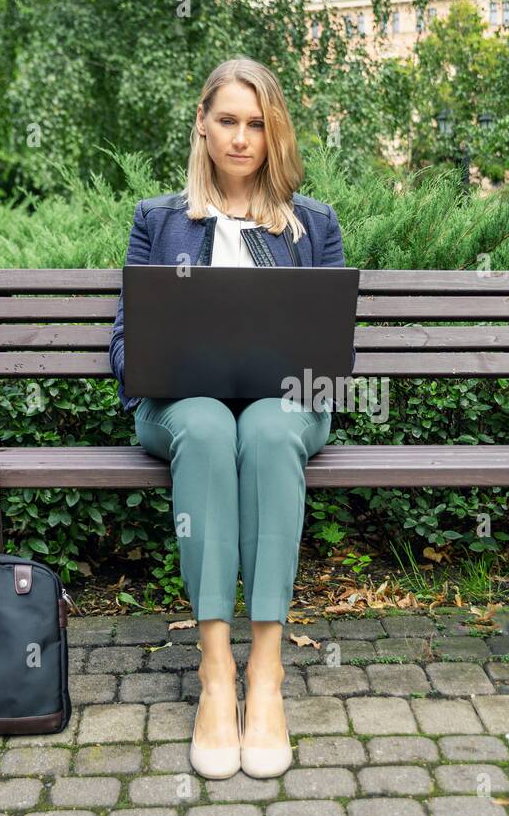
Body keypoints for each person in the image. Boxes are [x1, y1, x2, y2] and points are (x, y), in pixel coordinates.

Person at [110, 56, 352, 779]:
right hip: (182, 409)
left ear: (273, 131)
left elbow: (329, 343)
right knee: (213, 425)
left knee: (270, 427)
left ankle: (268, 672)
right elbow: (124, 338)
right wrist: (158, 360)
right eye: (228, 121)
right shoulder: (157, 219)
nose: (242, 138)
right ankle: (217, 671)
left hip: (286, 407)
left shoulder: (314, 225)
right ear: (202, 124)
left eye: (256, 123)